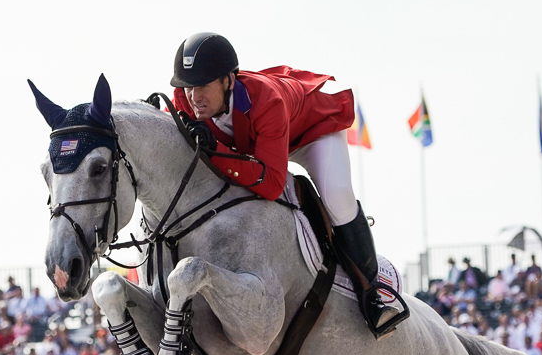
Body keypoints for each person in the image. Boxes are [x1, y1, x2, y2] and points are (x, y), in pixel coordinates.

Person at [169, 32, 405, 338]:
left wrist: (217, 149)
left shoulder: (266, 100)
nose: (193, 96)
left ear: (228, 80)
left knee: (337, 197)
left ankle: (373, 293)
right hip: (258, 145)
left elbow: (270, 183)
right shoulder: (184, 101)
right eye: (188, 87)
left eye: (202, 86)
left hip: (309, 134)